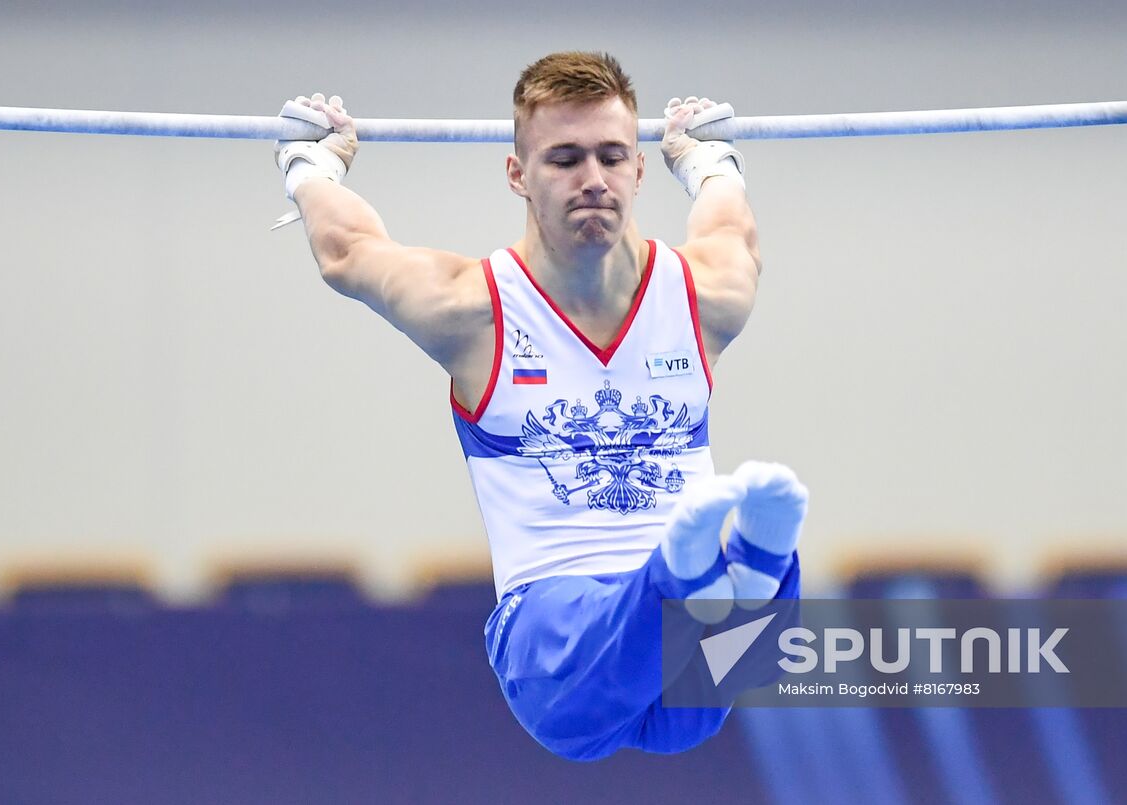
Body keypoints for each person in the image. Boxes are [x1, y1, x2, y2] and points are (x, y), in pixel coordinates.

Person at [274, 51, 807, 761]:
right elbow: (348, 251)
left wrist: (711, 162)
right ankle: (709, 573)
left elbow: (731, 234)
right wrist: (311, 165)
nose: (593, 180)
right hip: (555, 644)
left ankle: (724, 572)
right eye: (564, 159)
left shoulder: (701, 297)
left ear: (639, 170)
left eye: (613, 156)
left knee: (733, 668)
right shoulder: (474, 310)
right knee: (645, 633)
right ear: (517, 174)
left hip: (688, 680)